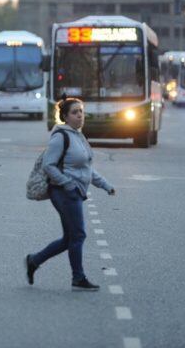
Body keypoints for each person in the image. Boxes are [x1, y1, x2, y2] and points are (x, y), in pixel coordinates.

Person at [25, 98, 116, 291]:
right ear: (65, 117)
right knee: (78, 234)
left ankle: (34, 260)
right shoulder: (61, 137)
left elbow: (86, 169)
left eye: (81, 112)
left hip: (74, 192)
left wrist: (106, 185)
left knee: (69, 238)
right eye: (75, 112)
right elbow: (49, 165)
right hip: (64, 192)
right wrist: (68, 184)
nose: (80, 115)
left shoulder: (79, 136)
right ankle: (78, 277)